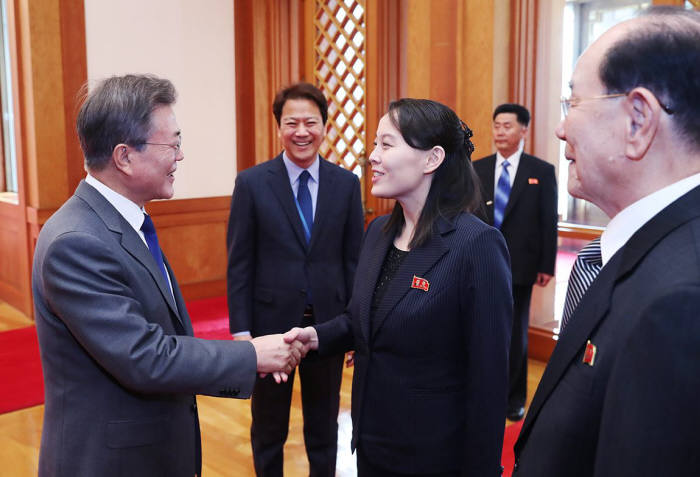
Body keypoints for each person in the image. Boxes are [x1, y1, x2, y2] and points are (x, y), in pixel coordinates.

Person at [32, 74, 302, 477]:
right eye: (172, 144)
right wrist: (252, 355)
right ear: (124, 156)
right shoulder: (75, 242)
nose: (180, 156)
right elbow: (144, 356)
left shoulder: (124, 220)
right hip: (110, 461)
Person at [513, 7, 700, 477]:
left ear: (639, 120)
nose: (560, 128)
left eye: (572, 104)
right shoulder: (653, 251)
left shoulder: (678, 301)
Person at [285, 98, 512, 476]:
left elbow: (488, 383)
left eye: (386, 145)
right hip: (372, 444)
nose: (372, 156)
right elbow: (367, 318)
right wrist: (316, 337)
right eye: (374, 144)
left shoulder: (476, 246)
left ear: (431, 159)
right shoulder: (378, 232)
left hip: (435, 456)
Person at [226, 82, 364, 476]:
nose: (301, 131)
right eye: (292, 123)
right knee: (269, 425)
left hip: (328, 323)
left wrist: (353, 327)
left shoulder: (346, 184)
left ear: (324, 126)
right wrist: (241, 331)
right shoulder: (252, 183)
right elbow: (239, 262)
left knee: (324, 423)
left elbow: (353, 261)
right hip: (270, 327)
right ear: (279, 127)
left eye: (310, 122)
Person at [473, 103, 558, 421]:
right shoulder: (478, 168)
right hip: (483, 262)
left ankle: (513, 399)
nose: (500, 132)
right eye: (496, 125)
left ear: (524, 130)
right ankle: (483, 393)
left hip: (521, 265)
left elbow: (548, 221)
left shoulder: (541, 171)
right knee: (482, 328)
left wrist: (546, 264)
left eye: (507, 126)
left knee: (515, 333)